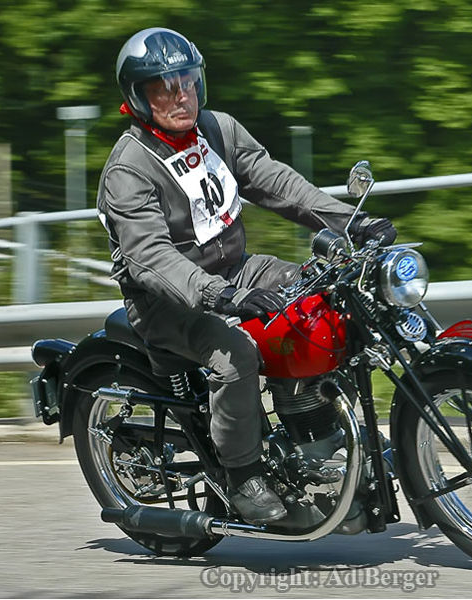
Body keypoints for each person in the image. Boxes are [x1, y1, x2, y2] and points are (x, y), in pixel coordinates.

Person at [97, 27, 396, 525]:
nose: (180, 96)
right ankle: (243, 475)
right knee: (235, 355)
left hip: (238, 267)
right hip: (166, 300)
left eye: (187, 81)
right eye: (163, 87)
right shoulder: (129, 169)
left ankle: (319, 430)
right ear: (138, 98)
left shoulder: (218, 129)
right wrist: (220, 295)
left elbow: (274, 181)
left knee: (324, 303)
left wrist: (352, 221)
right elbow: (150, 256)